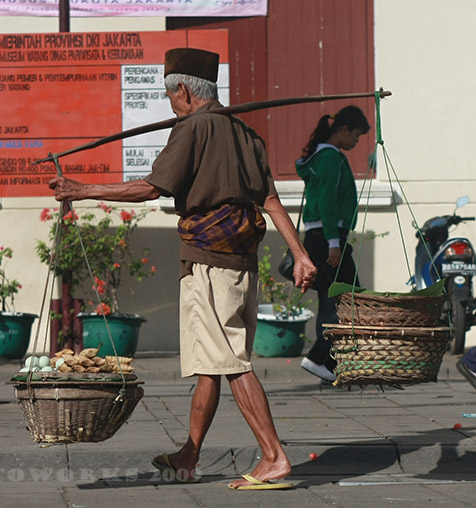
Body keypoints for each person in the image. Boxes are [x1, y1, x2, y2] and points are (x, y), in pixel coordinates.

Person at [49, 47, 317, 490]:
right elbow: (269, 200)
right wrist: (300, 254)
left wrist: (83, 189)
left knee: (231, 361)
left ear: (184, 92)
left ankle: (273, 457)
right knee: (213, 363)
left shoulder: (191, 128)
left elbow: (150, 188)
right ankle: (189, 454)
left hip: (211, 265)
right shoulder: (245, 134)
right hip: (241, 265)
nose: (170, 104)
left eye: (170, 94)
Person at [296, 106, 370, 383]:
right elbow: (327, 202)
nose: (356, 143)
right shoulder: (329, 158)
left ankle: (329, 363)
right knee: (350, 299)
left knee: (329, 300)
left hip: (321, 237)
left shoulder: (323, 157)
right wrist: (333, 243)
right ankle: (319, 358)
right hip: (327, 237)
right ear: (344, 130)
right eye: (357, 137)